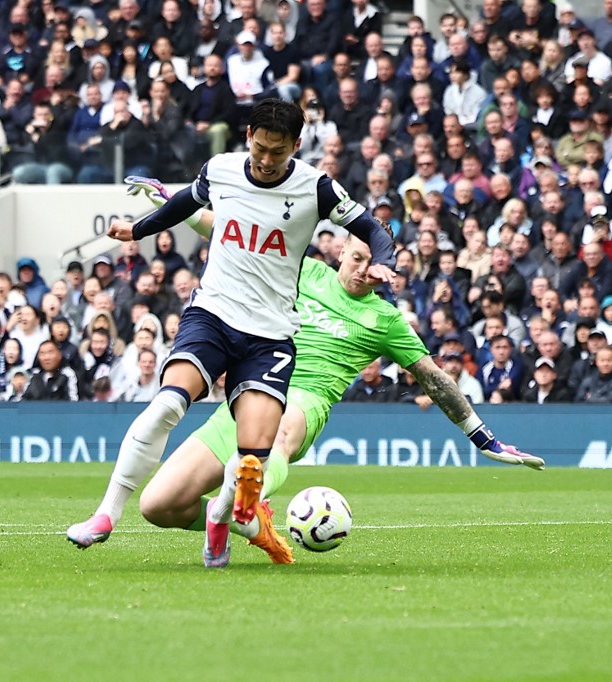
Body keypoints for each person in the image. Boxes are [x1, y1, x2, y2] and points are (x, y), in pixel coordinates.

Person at [66, 102, 399, 570]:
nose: (266, 160)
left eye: (277, 153)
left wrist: (388, 259)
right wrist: (138, 230)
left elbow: (367, 226)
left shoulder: (315, 187)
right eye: (260, 148)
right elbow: (187, 201)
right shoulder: (220, 169)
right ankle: (105, 514)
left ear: (296, 147)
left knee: (249, 462)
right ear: (247, 135)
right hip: (213, 315)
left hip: (270, 337)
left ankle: (221, 517)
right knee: (166, 405)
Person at [128, 189, 540, 565]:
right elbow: (232, 233)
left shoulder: (385, 319)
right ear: (342, 250)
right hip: (249, 392)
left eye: (371, 263)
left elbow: (435, 380)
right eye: (356, 258)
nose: (362, 269)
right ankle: (251, 524)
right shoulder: (304, 272)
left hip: (304, 402)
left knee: (280, 432)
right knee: (158, 505)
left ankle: (233, 504)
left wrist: (483, 438)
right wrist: (174, 204)